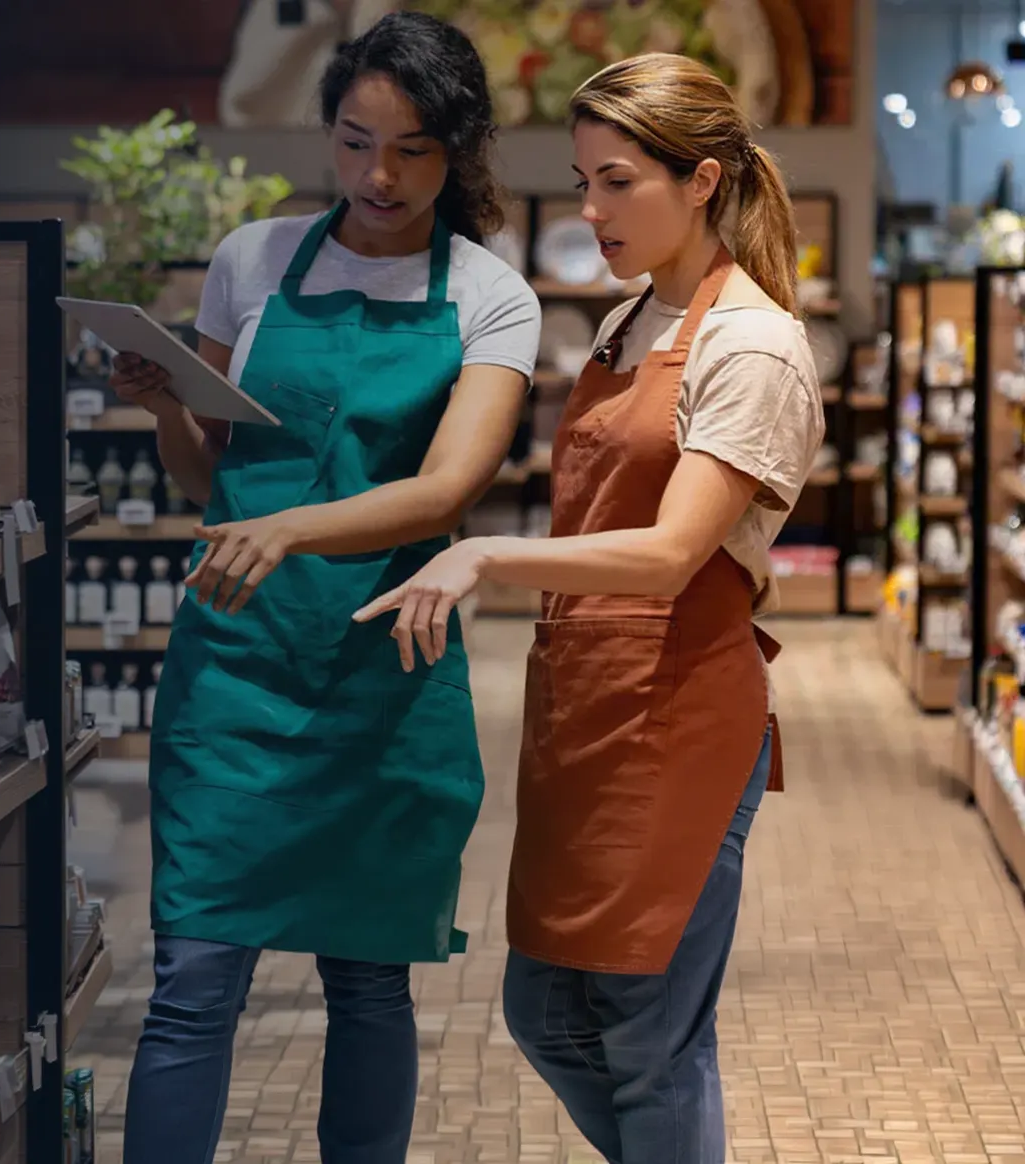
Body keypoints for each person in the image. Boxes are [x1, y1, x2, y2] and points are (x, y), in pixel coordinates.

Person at [353, 52, 826, 1163]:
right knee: (545, 1008)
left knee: (649, 1039)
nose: (588, 211)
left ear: (700, 181)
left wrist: (481, 557)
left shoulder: (749, 344)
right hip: (588, 708)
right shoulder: (626, 327)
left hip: (679, 712)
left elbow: (668, 555)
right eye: (580, 183)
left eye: (615, 182)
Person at [107, 13, 542, 1163]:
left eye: (409, 150)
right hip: (234, 673)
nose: (377, 176)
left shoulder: (491, 297)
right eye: (354, 143)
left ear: (458, 149)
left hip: (380, 678)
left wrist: (289, 528)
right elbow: (211, 475)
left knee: (367, 986)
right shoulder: (250, 260)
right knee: (191, 981)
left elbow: (445, 493)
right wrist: (164, 410)